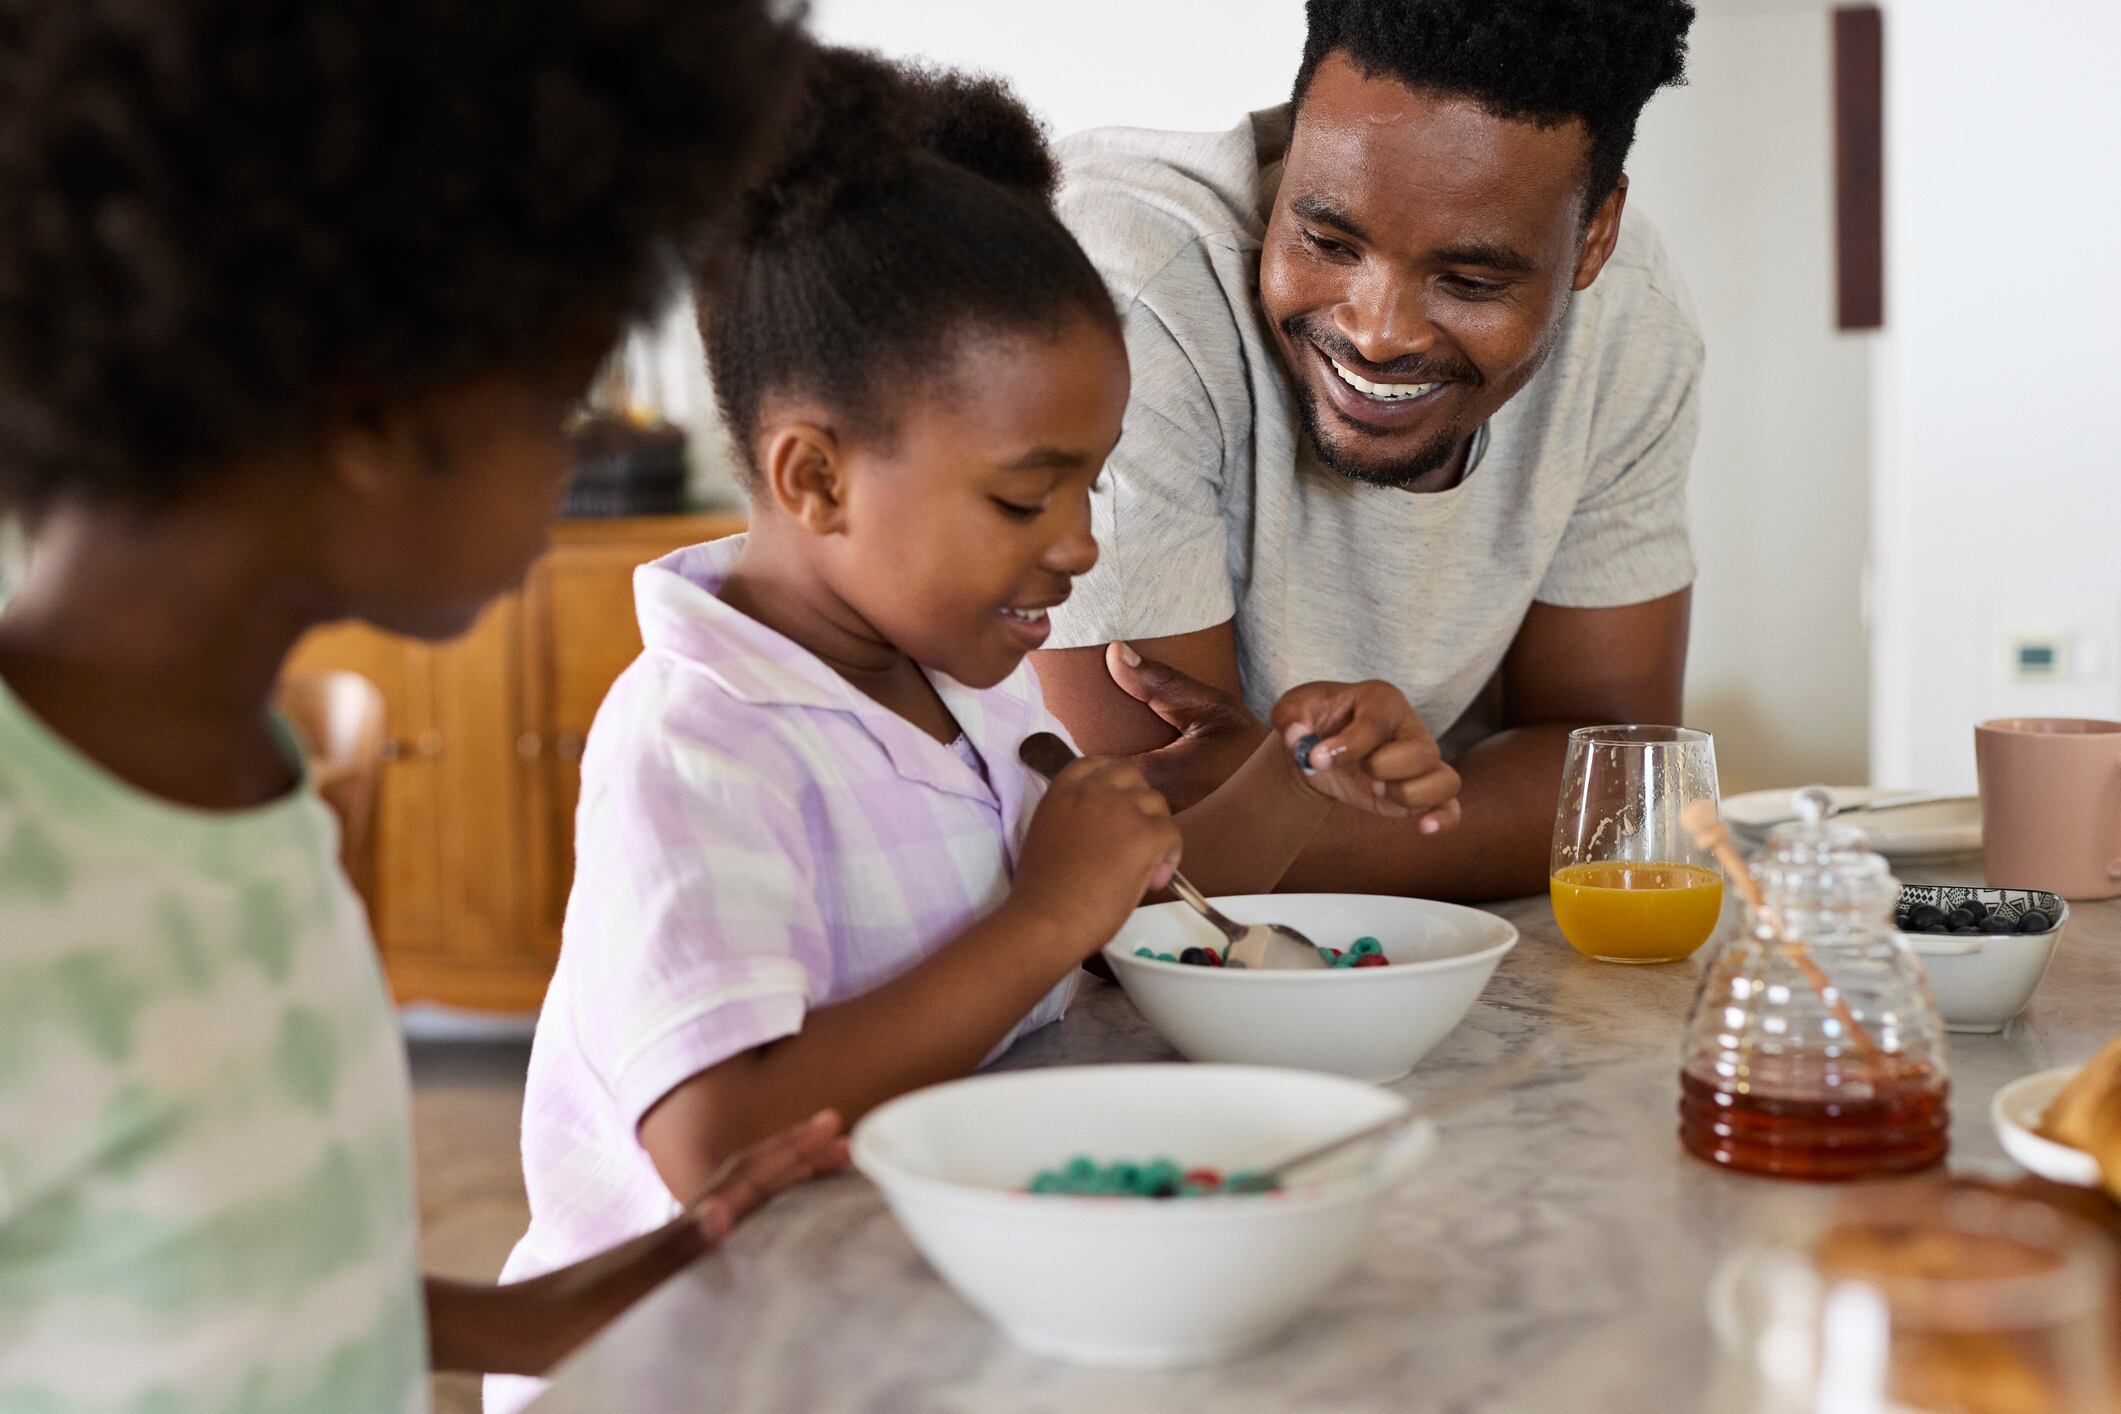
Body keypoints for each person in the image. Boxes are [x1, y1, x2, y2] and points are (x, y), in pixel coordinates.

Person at [490, 49, 1447, 1409]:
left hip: (910, 1316)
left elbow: (1111, 916)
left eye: (1092, 485)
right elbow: (722, 1137)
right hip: (697, 1369)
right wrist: (1044, 917)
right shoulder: (699, 741)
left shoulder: (956, 677)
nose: (1079, 545)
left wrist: (1290, 784)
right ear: (814, 477)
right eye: (1024, 497)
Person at [0, 4, 846, 1408]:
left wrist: (546, 1311)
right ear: (379, 411)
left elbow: (202, 1265)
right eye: (555, 400)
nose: (576, 455)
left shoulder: (243, 771)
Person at [1034, 0, 1703, 900]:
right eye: (1324, 240)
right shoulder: (1124, 293)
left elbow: (1621, 794)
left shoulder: (1631, 322)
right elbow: (1144, 877)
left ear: (1592, 237)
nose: (1378, 333)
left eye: (1469, 279)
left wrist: (1265, 807)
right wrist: (1473, 812)